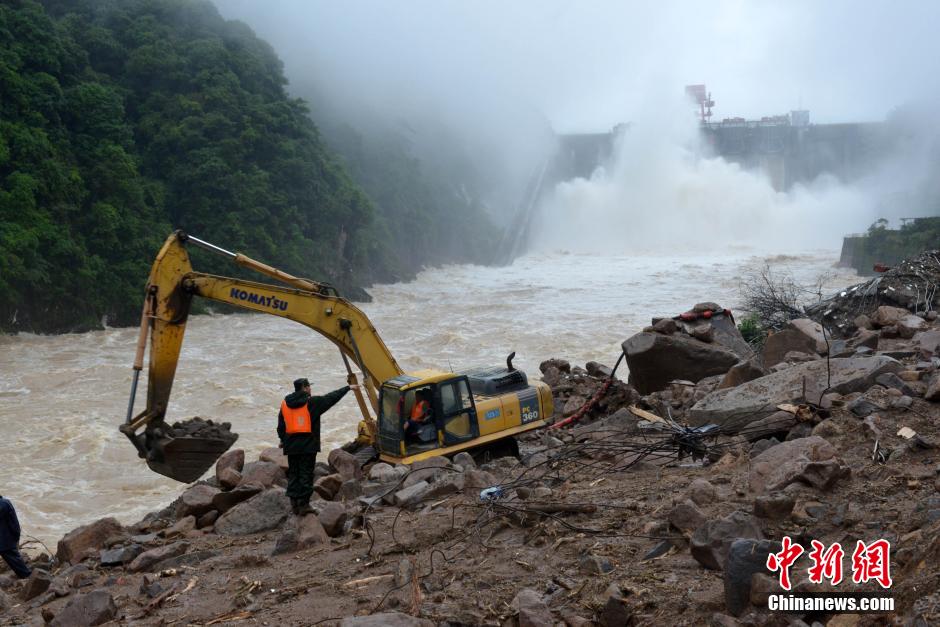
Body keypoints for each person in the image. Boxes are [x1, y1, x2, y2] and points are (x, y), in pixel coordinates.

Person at [277, 377, 353, 516]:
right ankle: (304, 505)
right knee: (306, 474)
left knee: (294, 474)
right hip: (308, 446)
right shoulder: (312, 402)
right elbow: (331, 398)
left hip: (291, 447)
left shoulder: (285, 404)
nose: (310, 389)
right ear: (305, 388)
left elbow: (281, 427)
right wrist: (347, 388)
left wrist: (282, 440)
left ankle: (294, 504)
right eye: (309, 387)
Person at [0, 494, 31, 579]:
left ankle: (28, 578)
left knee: (15, 561)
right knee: (15, 560)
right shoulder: (5, 503)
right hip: (7, 539)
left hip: (5, 540)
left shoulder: (3, 504)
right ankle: (27, 577)